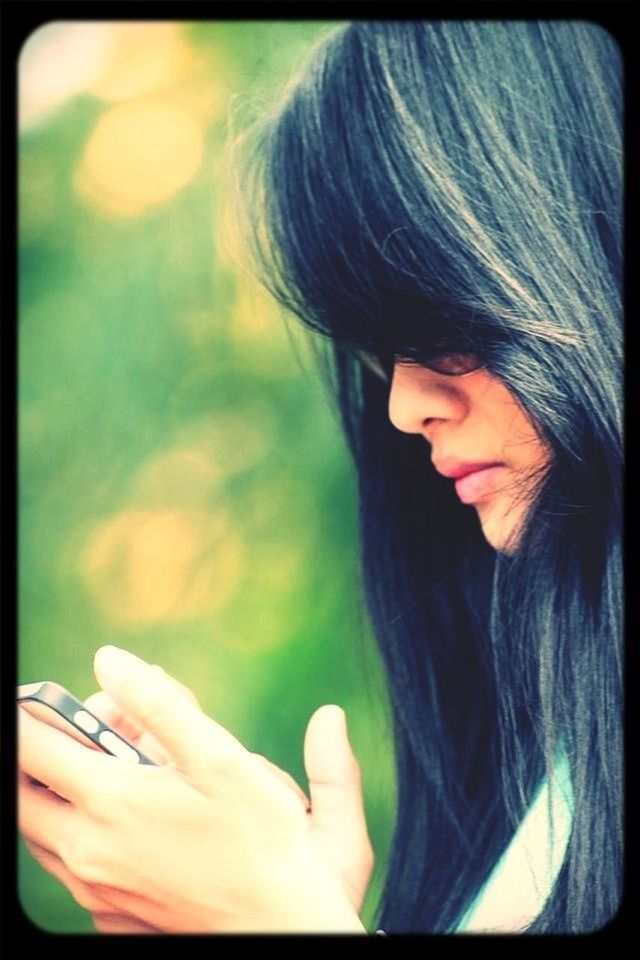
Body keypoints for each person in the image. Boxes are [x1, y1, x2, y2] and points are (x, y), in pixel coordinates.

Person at [18, 20, 622, 934]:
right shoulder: (558, 760)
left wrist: (274, 916)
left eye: (439, 328)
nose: (403, 408)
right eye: (382, 357)